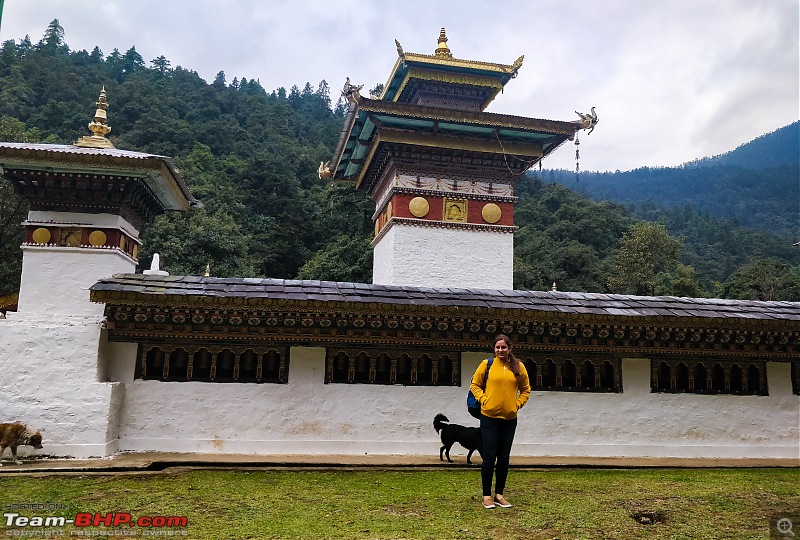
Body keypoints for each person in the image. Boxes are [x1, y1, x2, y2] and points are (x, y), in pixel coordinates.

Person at [470, 334, 531, 509]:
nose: (500, 350)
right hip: (489, 418)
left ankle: (499, 494)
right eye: (497, 347)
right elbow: (474, 384)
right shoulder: (486, 365)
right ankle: (486, 496)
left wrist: (517, 404)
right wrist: (483, 399)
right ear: (494, 349)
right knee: (489, 456)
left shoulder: (518, 367)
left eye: (503, 347)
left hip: (509, 419)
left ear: (510, 349)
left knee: (504, 457)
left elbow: (526, 390)